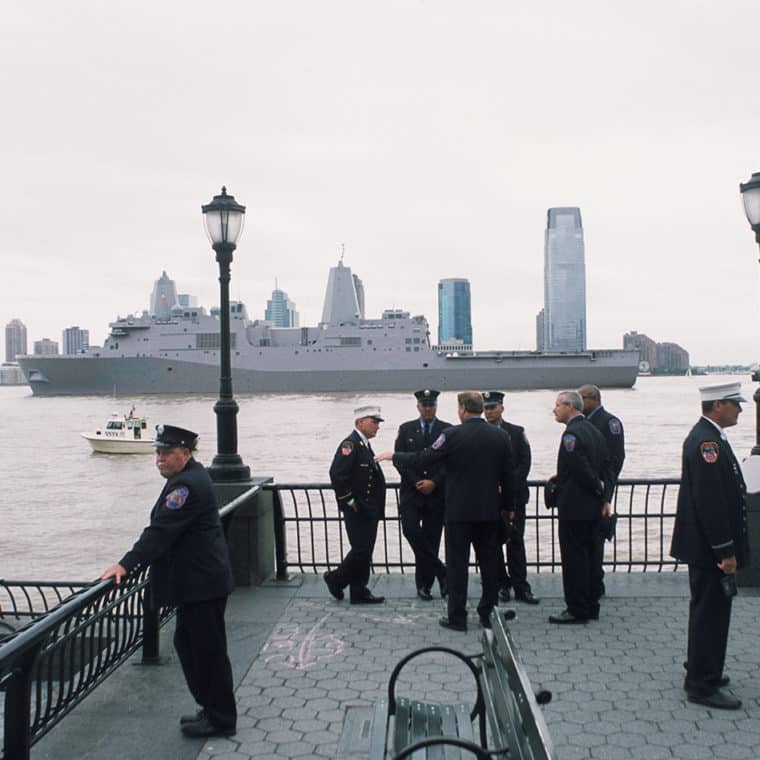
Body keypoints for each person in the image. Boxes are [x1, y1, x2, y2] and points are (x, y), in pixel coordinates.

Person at [100, 425, 237, 738]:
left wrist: (125, 564)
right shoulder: (192, 476)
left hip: (202, 586)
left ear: (185, 454)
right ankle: (212, 710)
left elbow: (159, 533)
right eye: (158, 452)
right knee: (192, 646)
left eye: (167, 453)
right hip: (200, 583)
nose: (159, 459)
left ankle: (221, 718)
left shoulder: (186, 487)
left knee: (207, 653)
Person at [377, 391, 515, 632]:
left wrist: (394, 455)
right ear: (481, 408)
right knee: (489, 564)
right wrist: (508, 508)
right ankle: (487, 613)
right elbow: (509, 477)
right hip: (489, 512)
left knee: (457, 565)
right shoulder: (500, 436)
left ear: (462, 408)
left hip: (458, 514)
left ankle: (457, 617)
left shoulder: (451, 435)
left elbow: (423, 458)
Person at [670, 383, 749, 710]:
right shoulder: (706, 442)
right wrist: (725, 551)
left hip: (704, 547)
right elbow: (711, 503)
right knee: (710, 614)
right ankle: (702, 685)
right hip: (709, 549)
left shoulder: (711, 436)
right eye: (735, 404)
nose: (740, 410)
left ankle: (704, 668)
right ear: (718, 405)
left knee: (707, 611)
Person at [548, 391, 612, 624]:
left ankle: (576, 608)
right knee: (591, 557)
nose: (554, 410)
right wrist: (604, 496)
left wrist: (594, 487)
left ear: (569, 406)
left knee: (574, 558)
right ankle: (591, 605)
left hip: (574, 507)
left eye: (557, 405)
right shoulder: (595, 431)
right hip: (593, 507)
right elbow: (607, 467)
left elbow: (580, 468)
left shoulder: (571, 435)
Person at [324, 405, 386, 604]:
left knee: (365, 550)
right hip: (357, 508)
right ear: (360, 422)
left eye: (378, 422)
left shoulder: (364, 444)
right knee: (361, 550)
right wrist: (349, 500)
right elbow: (337, 474)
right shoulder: (350, 444)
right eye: (373, 421)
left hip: (368, 508)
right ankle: (335, 578)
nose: (377, 426)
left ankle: (359, 590)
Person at [483, 390, 539, 605]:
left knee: (516, 541)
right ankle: (501, 585)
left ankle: (521, 586)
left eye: (493, 407)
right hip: (489, 498)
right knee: (492, 545)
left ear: (502, 408)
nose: (489, 412)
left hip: (514, 496)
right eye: (486, 408)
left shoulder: (517, 432)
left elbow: (525, 462)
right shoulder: (480, 433)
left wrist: (506, 485)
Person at [394, 389, 450, 600]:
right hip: (411, 493)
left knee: (432, 538)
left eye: (431, 405)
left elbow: (449, 461)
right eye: (424, 405)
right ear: (418, 407)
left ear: (436, 406)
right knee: (411, 531)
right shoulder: (405, 429)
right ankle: (441, 571)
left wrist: (434, 482)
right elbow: (400, 459)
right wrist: (417, 482)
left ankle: (424, 585)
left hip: (436, 494)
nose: (428, 408)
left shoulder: (447, 430)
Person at [578, 384, 625, 601]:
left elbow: (615, 460)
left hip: (599, 491)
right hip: (584, 491)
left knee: (596, 540)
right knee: (584, 541)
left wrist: (607, 493)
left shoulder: (610, 423)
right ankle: (588, 581)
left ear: (593, 399)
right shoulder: (583, 423)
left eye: (582, 398)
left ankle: (596, 583)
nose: (579, 403)